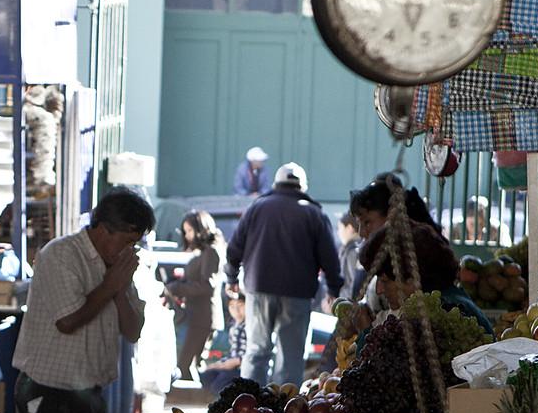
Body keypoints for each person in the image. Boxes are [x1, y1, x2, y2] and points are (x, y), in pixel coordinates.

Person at [13, 188, 153, 413]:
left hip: (92, 393)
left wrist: (119, 288)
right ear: (104, 230)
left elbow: (132, 331)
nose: (129, 250)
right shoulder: (60, 254)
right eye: (127, 241)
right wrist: (111, 284)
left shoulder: (119, 268)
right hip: (46, 393)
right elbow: (68, 321)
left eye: (135, 243)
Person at [225, 163, 343, 386]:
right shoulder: (313, 213)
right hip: (296, 293)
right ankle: (284, 411)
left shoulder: (257, 208)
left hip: (258, 289)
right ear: (302, 186)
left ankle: (248, 404)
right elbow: (329, 257)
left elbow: (234, 248)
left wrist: (231, 278)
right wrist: (333, 289)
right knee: (291, 356)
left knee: (256, 350)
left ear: (275, 184)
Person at [360, 219, 497, 336]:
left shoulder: (444, 313)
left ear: (413, 278)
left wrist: (366, 331)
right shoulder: (447, 300)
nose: (379, 290)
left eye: (385, 281)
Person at [166, 210, 223, 382]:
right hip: (198, 316)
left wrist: (177, 287)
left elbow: (207, 286)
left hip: (203, 317)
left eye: (190, 231)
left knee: (187, 365)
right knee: (188, 366)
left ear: (201, 229)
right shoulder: (204, 252)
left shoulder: (210, 252)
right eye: (185, 232)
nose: (187, 236)